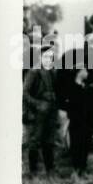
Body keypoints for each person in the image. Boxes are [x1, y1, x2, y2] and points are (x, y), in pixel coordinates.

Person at [22, 41, 60, 175]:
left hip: (51, 110)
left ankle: (50, 169)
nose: (48, 60)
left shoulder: (54, 72)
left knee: (49, 140)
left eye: (51, 57)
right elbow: (24, 93)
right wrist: (38, 104)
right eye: (46, 57)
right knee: (35, 141)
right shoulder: (34, 72)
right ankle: (33, 171)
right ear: (40, 57)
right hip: (37, 112)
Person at [59, 65, 93, 174]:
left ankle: (83, 167)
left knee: (86, 144)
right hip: (76, 121)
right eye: (85, 70)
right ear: (79, 72)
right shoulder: (71, 88)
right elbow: (65, 104)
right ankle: (76, 168)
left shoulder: (88, 87)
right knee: (76, 144)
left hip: (88, 121)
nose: (87, 72)